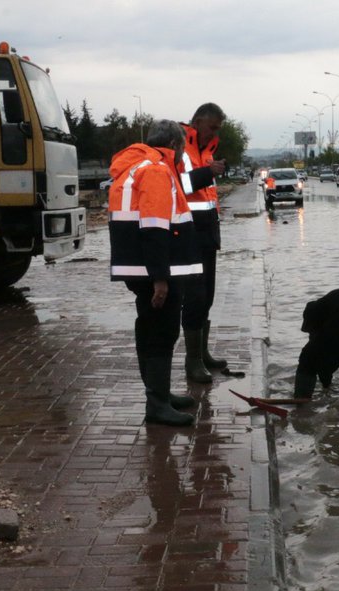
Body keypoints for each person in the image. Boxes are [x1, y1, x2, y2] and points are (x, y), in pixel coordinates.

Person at [108, 120, 203, 426]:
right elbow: (154, 226)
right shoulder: (157, 170)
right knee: (161, 332)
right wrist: (160, 277)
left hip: (139, 267)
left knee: (148, 326)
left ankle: (158, 393)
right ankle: (157, 403)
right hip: (155, 270)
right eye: (182, 149)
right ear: (175, 146)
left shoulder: (137, 166)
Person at [176, 103, 229, 383]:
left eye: (217, 129)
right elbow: (177, 184)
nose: (213, 134)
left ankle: (203, 353)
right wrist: (209, 172)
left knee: (207, 295)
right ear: (197, 122)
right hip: (188, 232)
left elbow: (206, 195)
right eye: (211, 128)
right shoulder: (181, 146)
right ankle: (192, 361)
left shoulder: (206, 150)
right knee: (195, 298)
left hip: (207, 231)